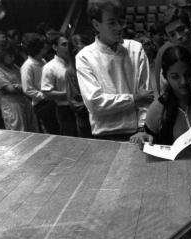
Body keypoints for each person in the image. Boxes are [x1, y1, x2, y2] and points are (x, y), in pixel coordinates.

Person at [76, 0, 153, 141]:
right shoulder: (85, 57)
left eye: (121, 21)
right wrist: (133, 98)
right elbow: (95, 103)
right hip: (104, 135)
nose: (119, 27)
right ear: (96, 25)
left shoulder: (136, 49)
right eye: (112, 23)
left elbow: (146, 96)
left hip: (137, 132)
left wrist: (142, 128)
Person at [129, 46, 191, 147]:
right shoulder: (157, 109)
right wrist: (144, 137)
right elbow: (149, 140)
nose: (183, 82)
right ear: (165, 76)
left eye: (187, 75)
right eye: (175, 77)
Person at [155, 7, 191, 101]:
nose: (179, 37)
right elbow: (165, 99)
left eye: (181, 29)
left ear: (190, 26)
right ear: (169, 39)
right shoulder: (168, 62)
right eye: (172, 35)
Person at [0, 40, 38, 132]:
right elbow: (9, 89)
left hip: (24, 101)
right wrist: (26, 87)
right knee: (19, 133)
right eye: (10, 55)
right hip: (11, 105)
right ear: (2, 54)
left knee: (33, 131)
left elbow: (23, 84)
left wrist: (20, 86)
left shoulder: (13, 66)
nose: (13, 58)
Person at [21, 33, 60, 134]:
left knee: (58, 128)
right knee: (52, 131)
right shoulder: (28, 66)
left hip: (51, 99)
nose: (46, 47)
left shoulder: (42, 60)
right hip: (42, 104)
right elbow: (27, 89)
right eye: (43, 45)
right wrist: (43, 96)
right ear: (38, 48)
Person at [41, 32, 78, 137]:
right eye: (64, 44)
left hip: (81, 108)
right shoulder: (50, 67)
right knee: (71, 140)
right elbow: (46, 92)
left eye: (69, 44)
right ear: (54, 47)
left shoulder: (75, 62)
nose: (68, 47)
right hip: (65, 109)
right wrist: (69, 94)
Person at [66, 34, 92, 138]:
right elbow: (75, 103)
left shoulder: (95, 66)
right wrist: (97, 105)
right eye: (78, 52)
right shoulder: (71, 72)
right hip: (86, 122)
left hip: (104, 121)